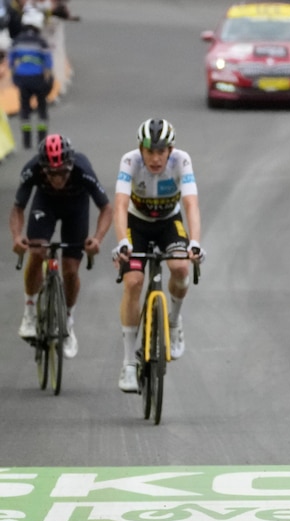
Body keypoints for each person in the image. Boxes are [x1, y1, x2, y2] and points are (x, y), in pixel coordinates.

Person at [112, 119, 205, 393]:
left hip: (168, 221)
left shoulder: (182, 161)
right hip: (136, 222)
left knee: (181, 267)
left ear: (170, 150)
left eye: (160, 152)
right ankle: (129, 363)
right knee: (133, 282)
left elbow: (191, 204)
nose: (155, 158)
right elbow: (119, 205)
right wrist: (121, 244)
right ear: (140, 149)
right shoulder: (129, 162)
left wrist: (196, 242)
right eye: (149, 151)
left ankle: (174, 322)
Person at [9, 133, 112, 358]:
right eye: (51, 174)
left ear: (70, 165)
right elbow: (18, 207)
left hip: (76, 209)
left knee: (70, 269)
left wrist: (97, 239)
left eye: (62, 173)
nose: (57, 179)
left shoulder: (82, 169)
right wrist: (17, 237)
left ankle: (67, 321)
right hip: (45, 204)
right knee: (37, 252)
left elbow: (106, 208)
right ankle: (29, 311)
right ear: (43, 167)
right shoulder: (32, 168)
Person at [7, 6, 51, 149]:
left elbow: (11, 61)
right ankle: (41, 139)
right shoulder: (41, 42)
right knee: (42, 108)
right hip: (38, 78)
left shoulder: (17, 40)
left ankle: (26, 141)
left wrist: (15, 75)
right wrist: (48, 78)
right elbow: (48, 62)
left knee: (25, 109)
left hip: (23, 79)